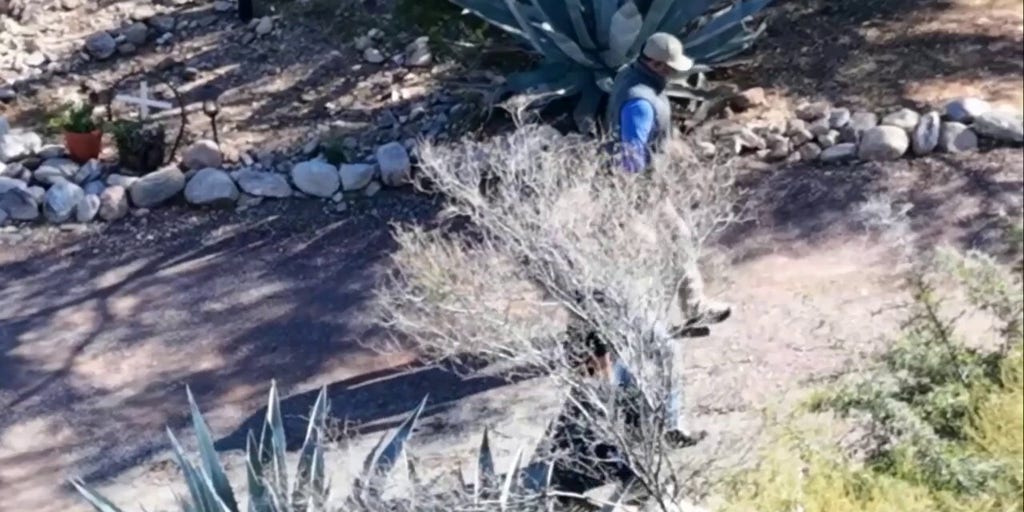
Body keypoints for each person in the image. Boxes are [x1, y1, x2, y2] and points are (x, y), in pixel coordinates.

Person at [594, 32, 733, 447]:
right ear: (655, 65)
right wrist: (632, 202)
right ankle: (640, 325)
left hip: (648, 193)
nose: (675, 73)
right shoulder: (639, 100)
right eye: (671, 68)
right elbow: (631, 153)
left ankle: (694, 307)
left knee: (680, 239)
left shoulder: (630, 77)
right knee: (651, 252)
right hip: (636, 197)